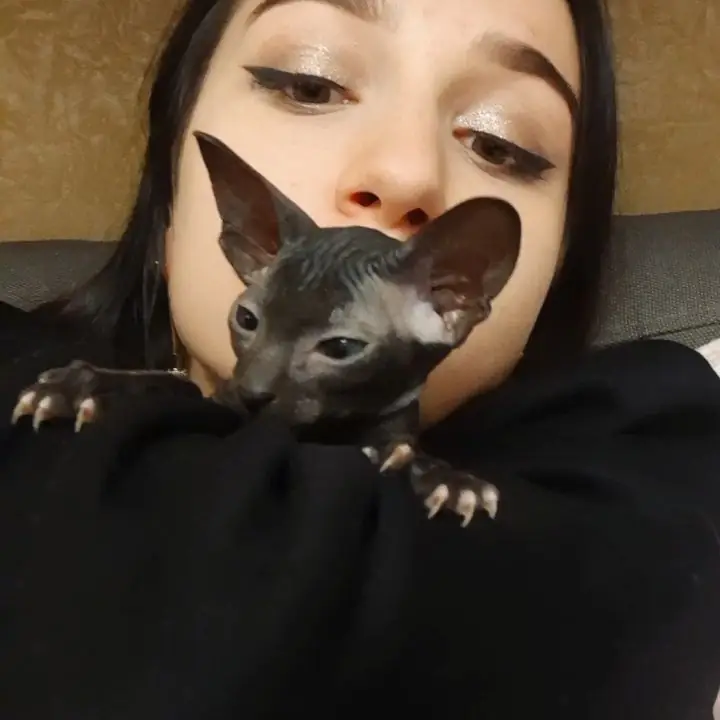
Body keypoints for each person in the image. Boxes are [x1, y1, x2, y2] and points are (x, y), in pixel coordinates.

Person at [2, 0, 720, 717]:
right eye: (309, 83)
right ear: (171, 195)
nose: (406, 172)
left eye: (500, 144)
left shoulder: (646, 460)